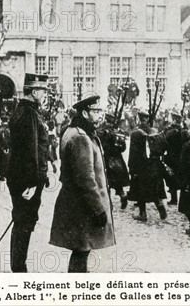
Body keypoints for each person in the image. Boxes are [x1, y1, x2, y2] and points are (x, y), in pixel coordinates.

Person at [50, 96, 115, 272]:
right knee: (81, 252)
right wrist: (98, 209)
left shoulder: (72, 131)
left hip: (75, 203)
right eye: (95, 112)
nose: (100, 115)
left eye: (100, 111)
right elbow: (86, 180)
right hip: (82, 207)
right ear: (85, 113)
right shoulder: (81, 137)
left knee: (80, 252)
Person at [7, 73, 50, 272]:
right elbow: (30, 151)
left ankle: (18, 265)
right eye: (43, 91)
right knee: (24, 224)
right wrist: (33, 182)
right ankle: (19, 268)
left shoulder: (25, 111)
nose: (45, 94)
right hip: (26, 181)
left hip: (22, 178)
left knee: (22, 223)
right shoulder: (29, 114)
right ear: (34, 92)